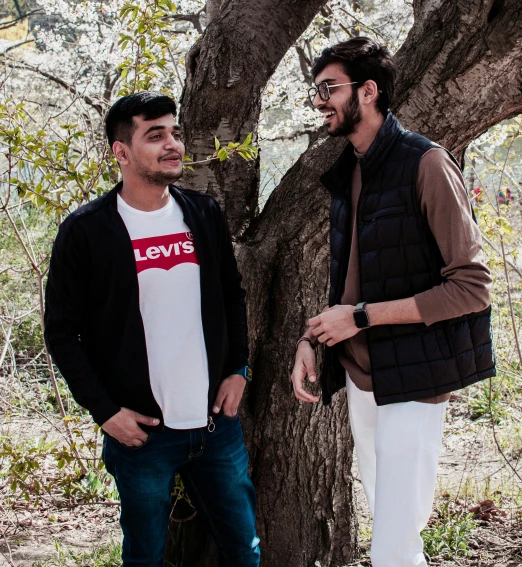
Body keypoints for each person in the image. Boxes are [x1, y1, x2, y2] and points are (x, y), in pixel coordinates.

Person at [291, 38, 495, 567]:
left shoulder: (426, 164)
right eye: (317, 91)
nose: (320, 101)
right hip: (362, 375)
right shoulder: (349, 171)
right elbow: (351, 281)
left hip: (416, 378)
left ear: (370, 90)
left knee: (394, 540)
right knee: (391, 531)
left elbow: (471, 287)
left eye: (329, 88)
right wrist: (313, 339)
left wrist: (359, 319)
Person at [45, 92, 260, 567]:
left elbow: (231, 295)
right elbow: (61, 333)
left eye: (176, 133)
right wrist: (104, 412)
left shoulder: (202, 215)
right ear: (121, 152)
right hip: (140, 432)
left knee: (244, 552)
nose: (173, 144)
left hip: (215, 424)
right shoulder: (86, 231)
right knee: (145, 556)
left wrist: (238, 369)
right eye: (155, 134)